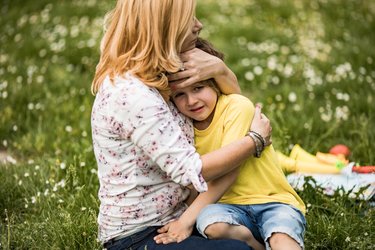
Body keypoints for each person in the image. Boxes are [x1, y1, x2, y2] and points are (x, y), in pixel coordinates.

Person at [90, 1, 272, 249]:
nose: (199, 25)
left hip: (184, 213)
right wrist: (254, 140)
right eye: (189, 19)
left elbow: (230, 108)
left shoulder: (157, 72)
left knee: (264, 216)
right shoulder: (132, 95)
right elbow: (193, 172)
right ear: (165, 27)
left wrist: (221, 70)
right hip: (141, 235)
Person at [155, 38, 306, 250]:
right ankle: (255, 246)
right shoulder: (184, 126)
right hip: (227, 208)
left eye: (198, 88)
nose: (191, 101)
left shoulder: (237, 106)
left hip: (272, 202)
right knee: (212, 225)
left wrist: (185, 221)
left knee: (282, 239)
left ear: (216, 84)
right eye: (180, 94)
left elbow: (229, 171)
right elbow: (194, 180)